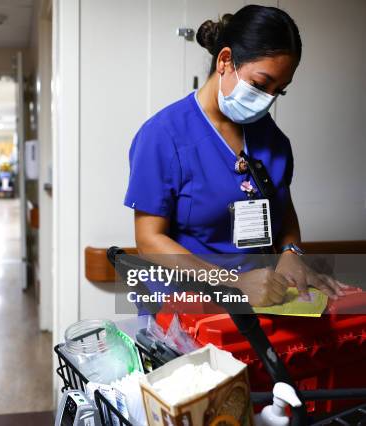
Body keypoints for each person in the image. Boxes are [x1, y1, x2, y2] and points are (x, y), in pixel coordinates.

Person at [124, 5, 346, 307]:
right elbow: (149, 242)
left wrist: (291, 253)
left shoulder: (272, 140)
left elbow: (284, 211)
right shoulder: (163, 136)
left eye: (279, 91)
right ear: (225, 60)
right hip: (186, 305)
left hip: (259, 302)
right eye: (259, 84)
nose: (267, 99)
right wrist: (234, 283)